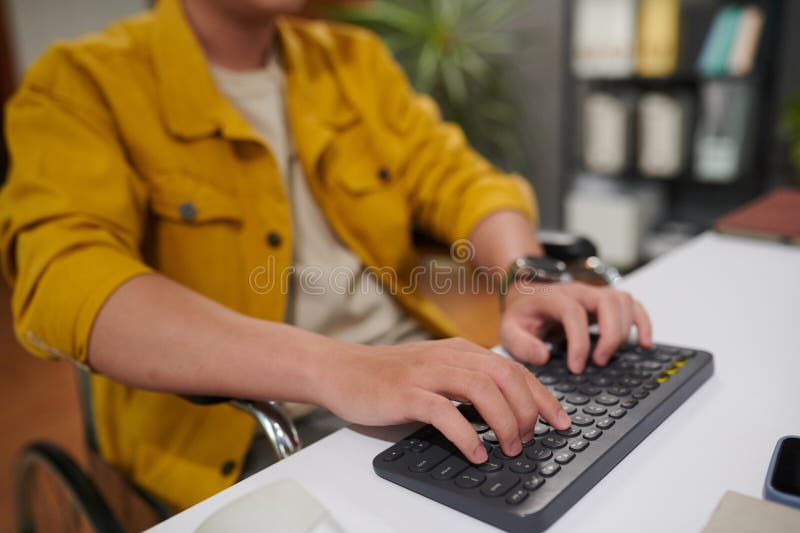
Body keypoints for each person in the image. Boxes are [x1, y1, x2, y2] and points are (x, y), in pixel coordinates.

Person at [0, 0, 652, 511]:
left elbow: (458, 177)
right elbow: (66, 276)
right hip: (252, 431)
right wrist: (344, 368)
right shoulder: (81, 83)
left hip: (413, 384)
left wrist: (526, 278)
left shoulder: (353, 61)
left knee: (595, 474)